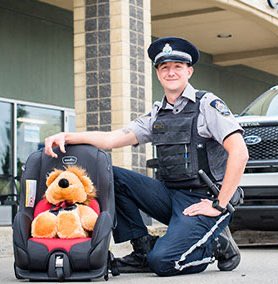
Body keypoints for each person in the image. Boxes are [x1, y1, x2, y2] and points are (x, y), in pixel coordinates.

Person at [43, 36, 249, 276]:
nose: (171, 72)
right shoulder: (157, 114)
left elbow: (240, 153)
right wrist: (67, 137)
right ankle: (141, 249)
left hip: (204, 199)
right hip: (170, 195)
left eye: (178, 67)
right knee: (110, 174)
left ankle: (213, 244)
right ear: (158, 73)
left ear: (189, 71)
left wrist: (219, 204)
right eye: (164, 67)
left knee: (162, 262)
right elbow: (113, 138)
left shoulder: (207, 105)